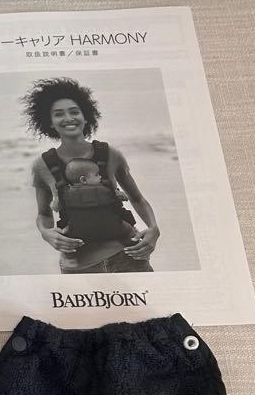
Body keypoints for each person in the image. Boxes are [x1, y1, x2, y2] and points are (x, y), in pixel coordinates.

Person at [21, 77, 160, 274]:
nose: (68, 118)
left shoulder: (111, 154)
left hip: (128, 258)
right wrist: (46, 233)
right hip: (79, 267)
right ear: (49, 122)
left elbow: (137, 199)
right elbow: (44, 214)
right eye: (58, 114)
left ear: (86, 116)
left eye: (74, 111)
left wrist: (154, 229)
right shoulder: (42, 165)